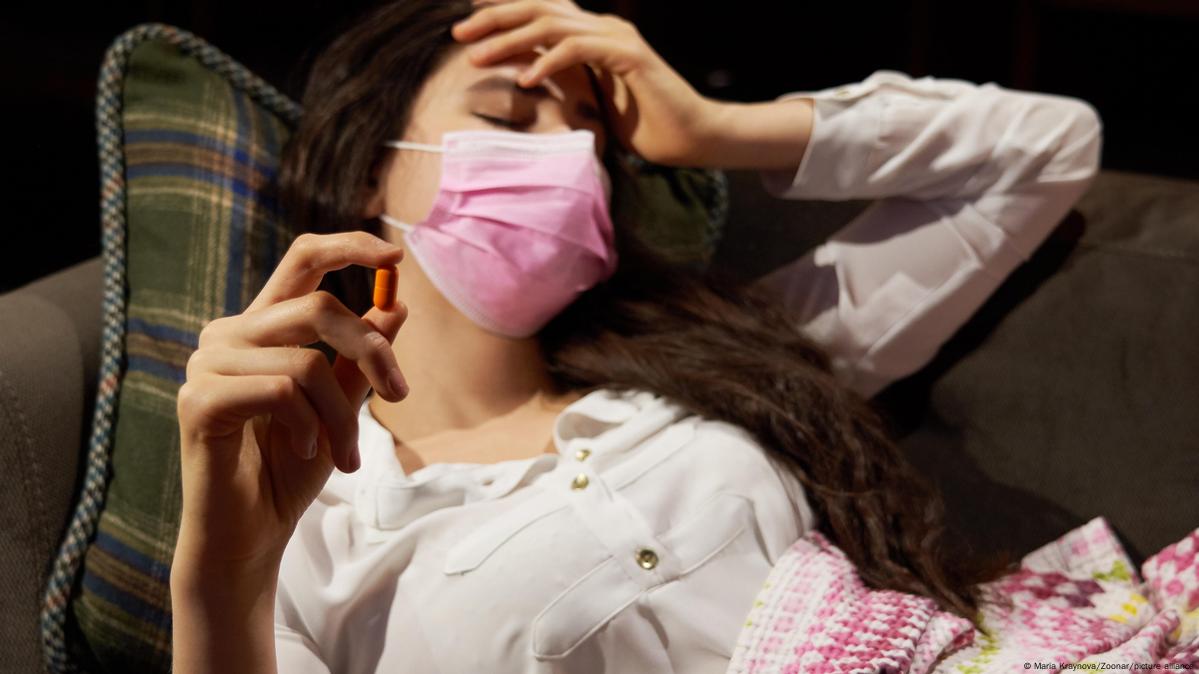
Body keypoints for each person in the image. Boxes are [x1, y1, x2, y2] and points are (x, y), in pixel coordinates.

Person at [168, 0, 1104, 672]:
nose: (568, 156)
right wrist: (220, 582)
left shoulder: (735, 360)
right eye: (506, 117)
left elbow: (1049, 146)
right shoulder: (304, 510)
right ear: (369, 170)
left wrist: (709, 129)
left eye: (593, 137)